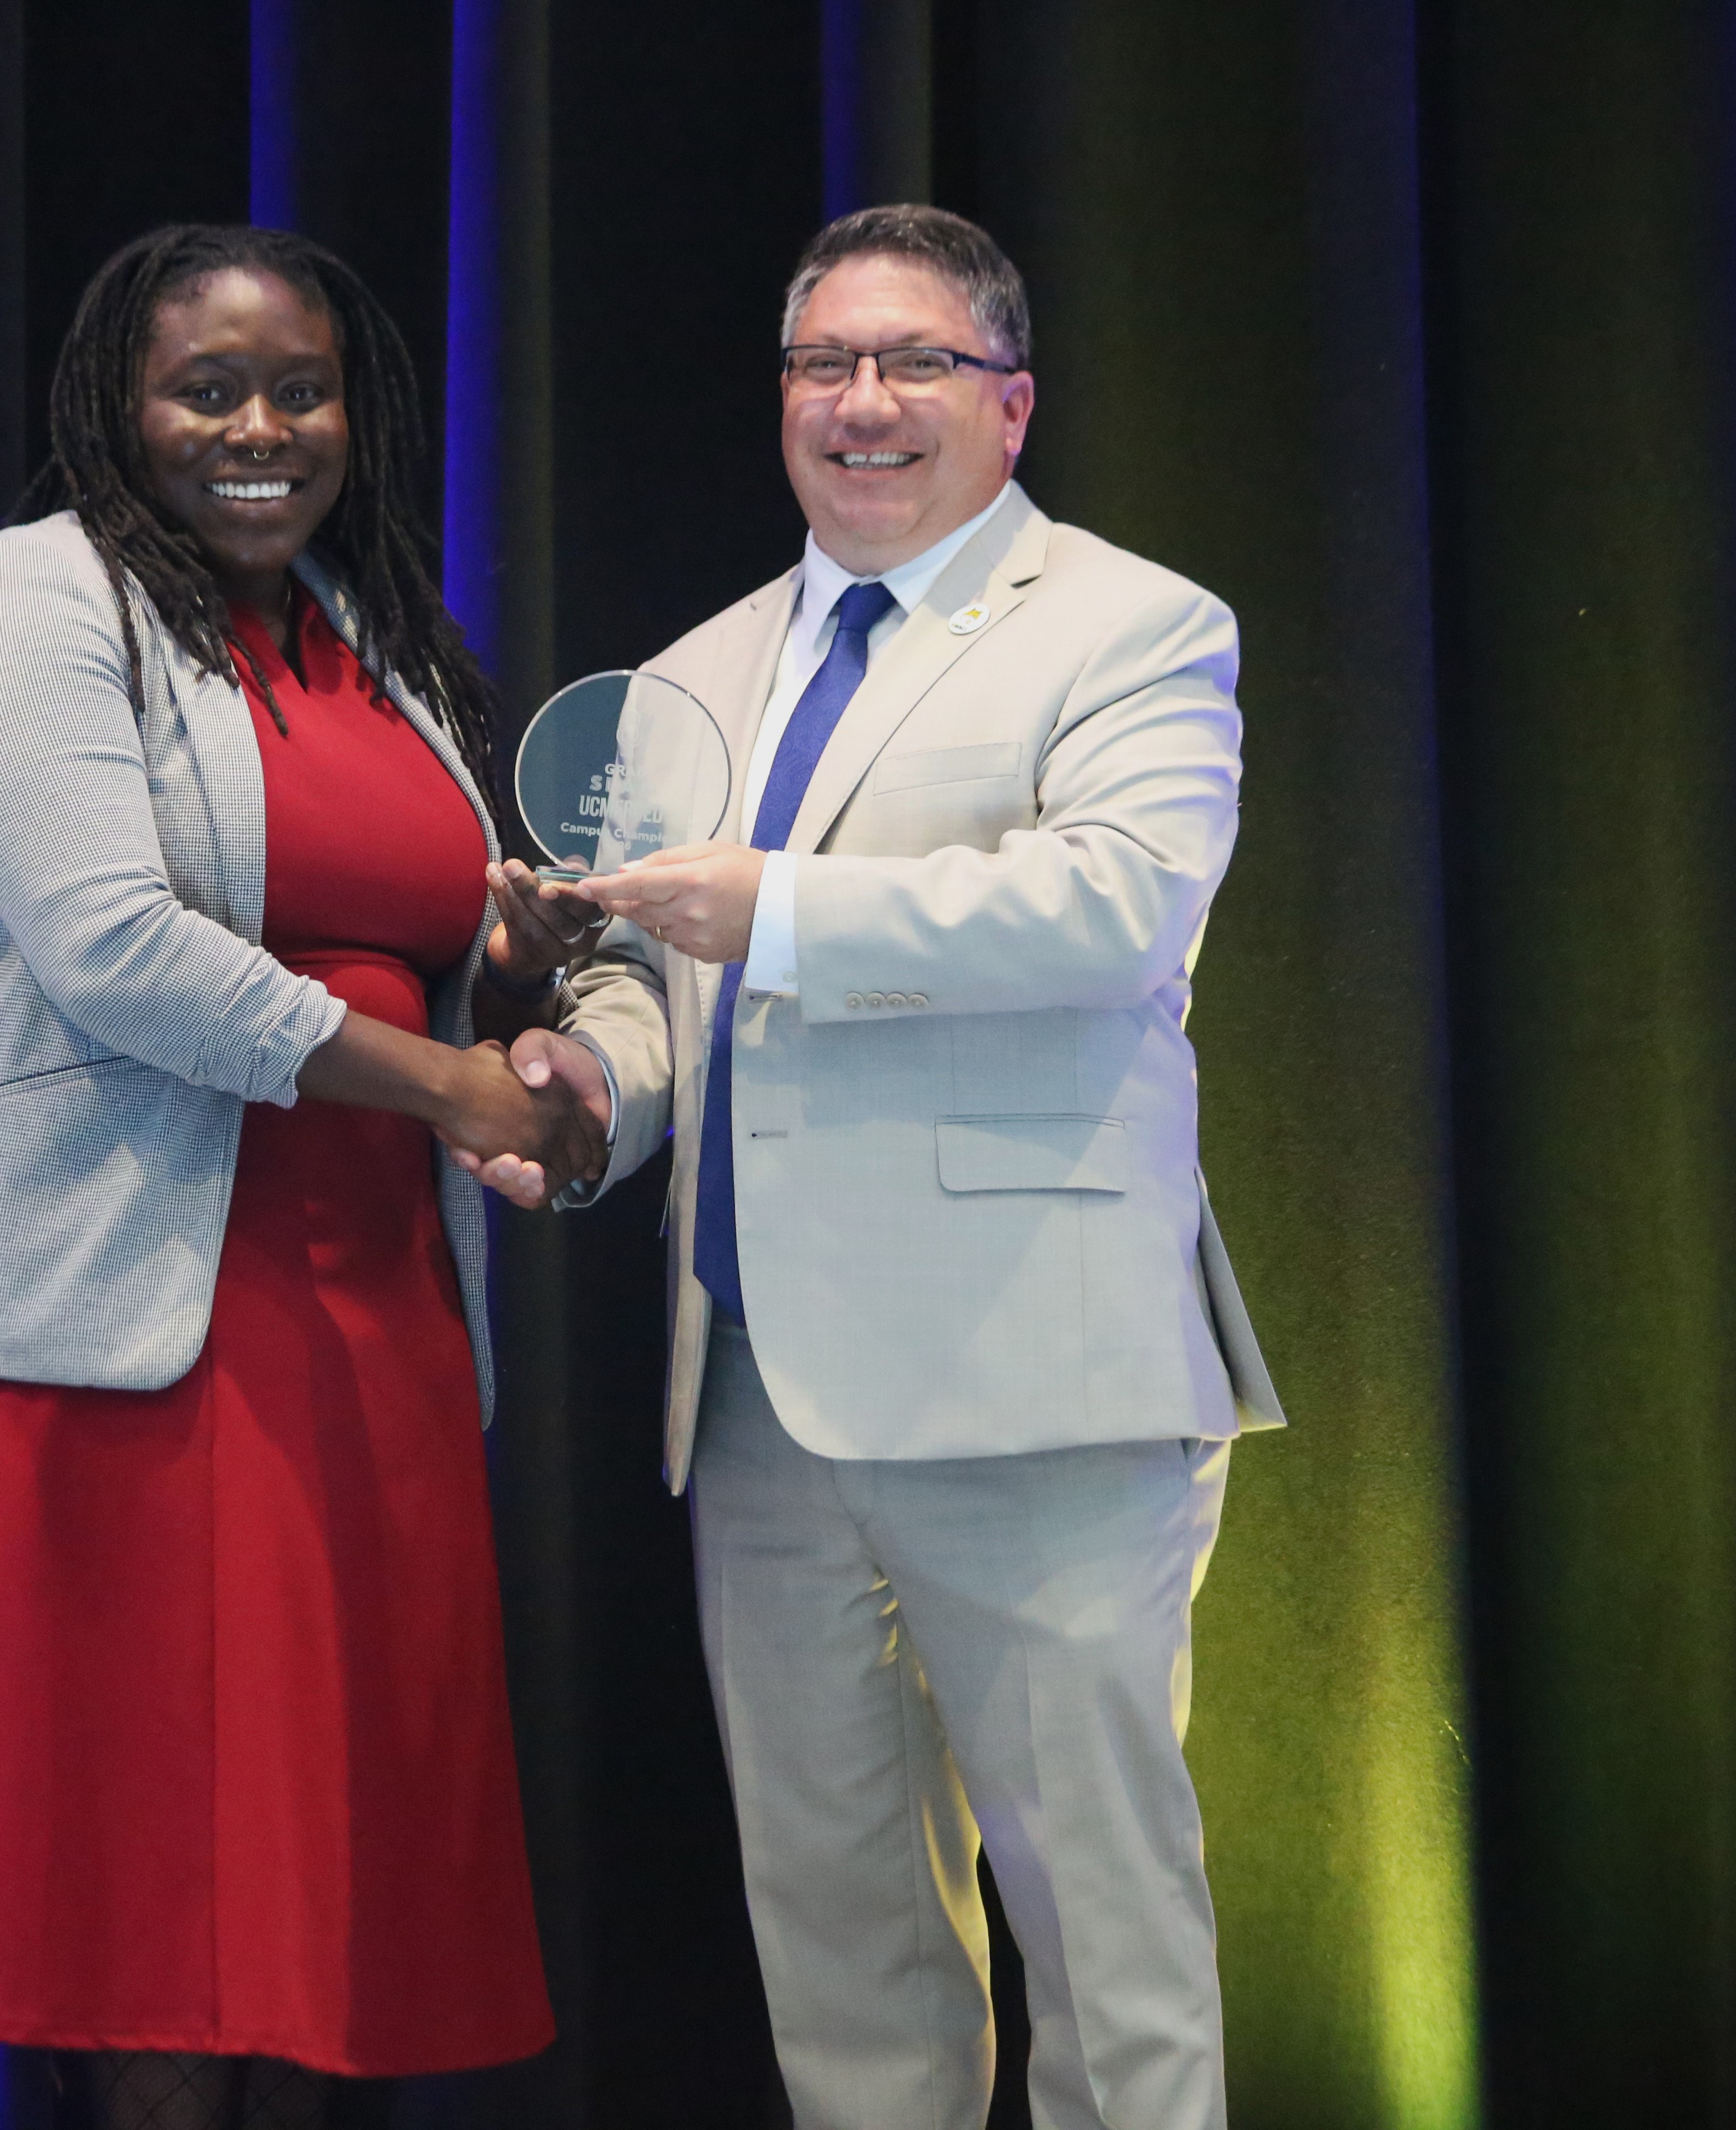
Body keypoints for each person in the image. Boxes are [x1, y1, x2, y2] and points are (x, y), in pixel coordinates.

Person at [472, 206, 1286, 2130]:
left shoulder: (1137, 622)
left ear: (1010, 404)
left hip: (1038, 1390)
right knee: (839, 1945)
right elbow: (668, 987)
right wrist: (581, 1082)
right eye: (822, 366)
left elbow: (1117, 906)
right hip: (752, 1402)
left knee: (1109, 1935)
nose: (862, 403)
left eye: (912, 362)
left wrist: (775, 904)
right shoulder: (696, 672)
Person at [0, 224, 591, 2130]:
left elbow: (414, 936)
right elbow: (108, 944)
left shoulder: (373, 636)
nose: (261, 427)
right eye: (208, 388)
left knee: (316, 1893)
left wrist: (506, 1000)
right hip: (128, 1321)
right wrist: (444, 1076)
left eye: (302, 387)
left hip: (372, 1320)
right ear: (123, 405)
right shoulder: (28, 598)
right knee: (154, 1897)